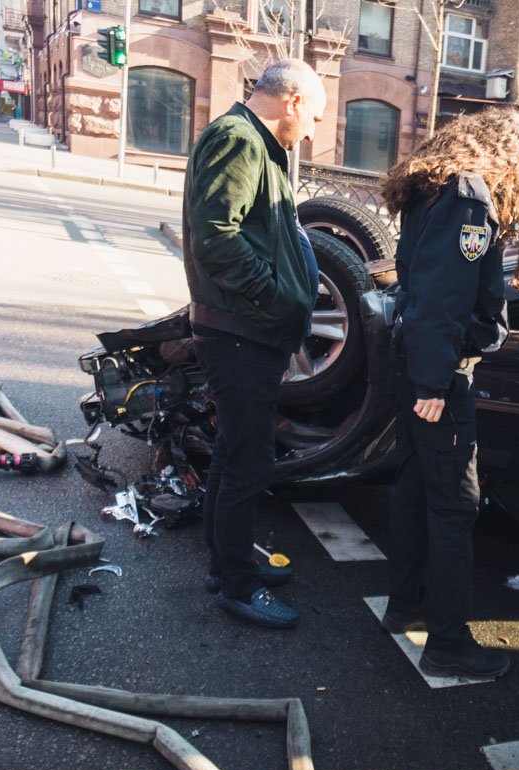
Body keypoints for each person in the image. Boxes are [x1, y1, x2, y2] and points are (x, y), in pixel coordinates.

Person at [380, 108, 519, 679]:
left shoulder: (433, 189)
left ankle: (405, 604)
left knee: (415, 485)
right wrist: (435, 383)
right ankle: (447, 641)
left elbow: (419, 287)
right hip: (439, 374)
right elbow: (444, 298)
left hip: (415, 362)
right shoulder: (467, 197)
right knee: (455, 503)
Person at [182, 58, 325, 629]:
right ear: (290, 101)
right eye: (312, 114)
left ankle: (228, 566)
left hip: (243, 330)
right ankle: (238, 587)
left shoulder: (256, 144)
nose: (312, 129)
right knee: (249, 462)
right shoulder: (239, 139)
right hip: (240, 331)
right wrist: (271, 298)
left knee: (232, 455)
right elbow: (216, 235)